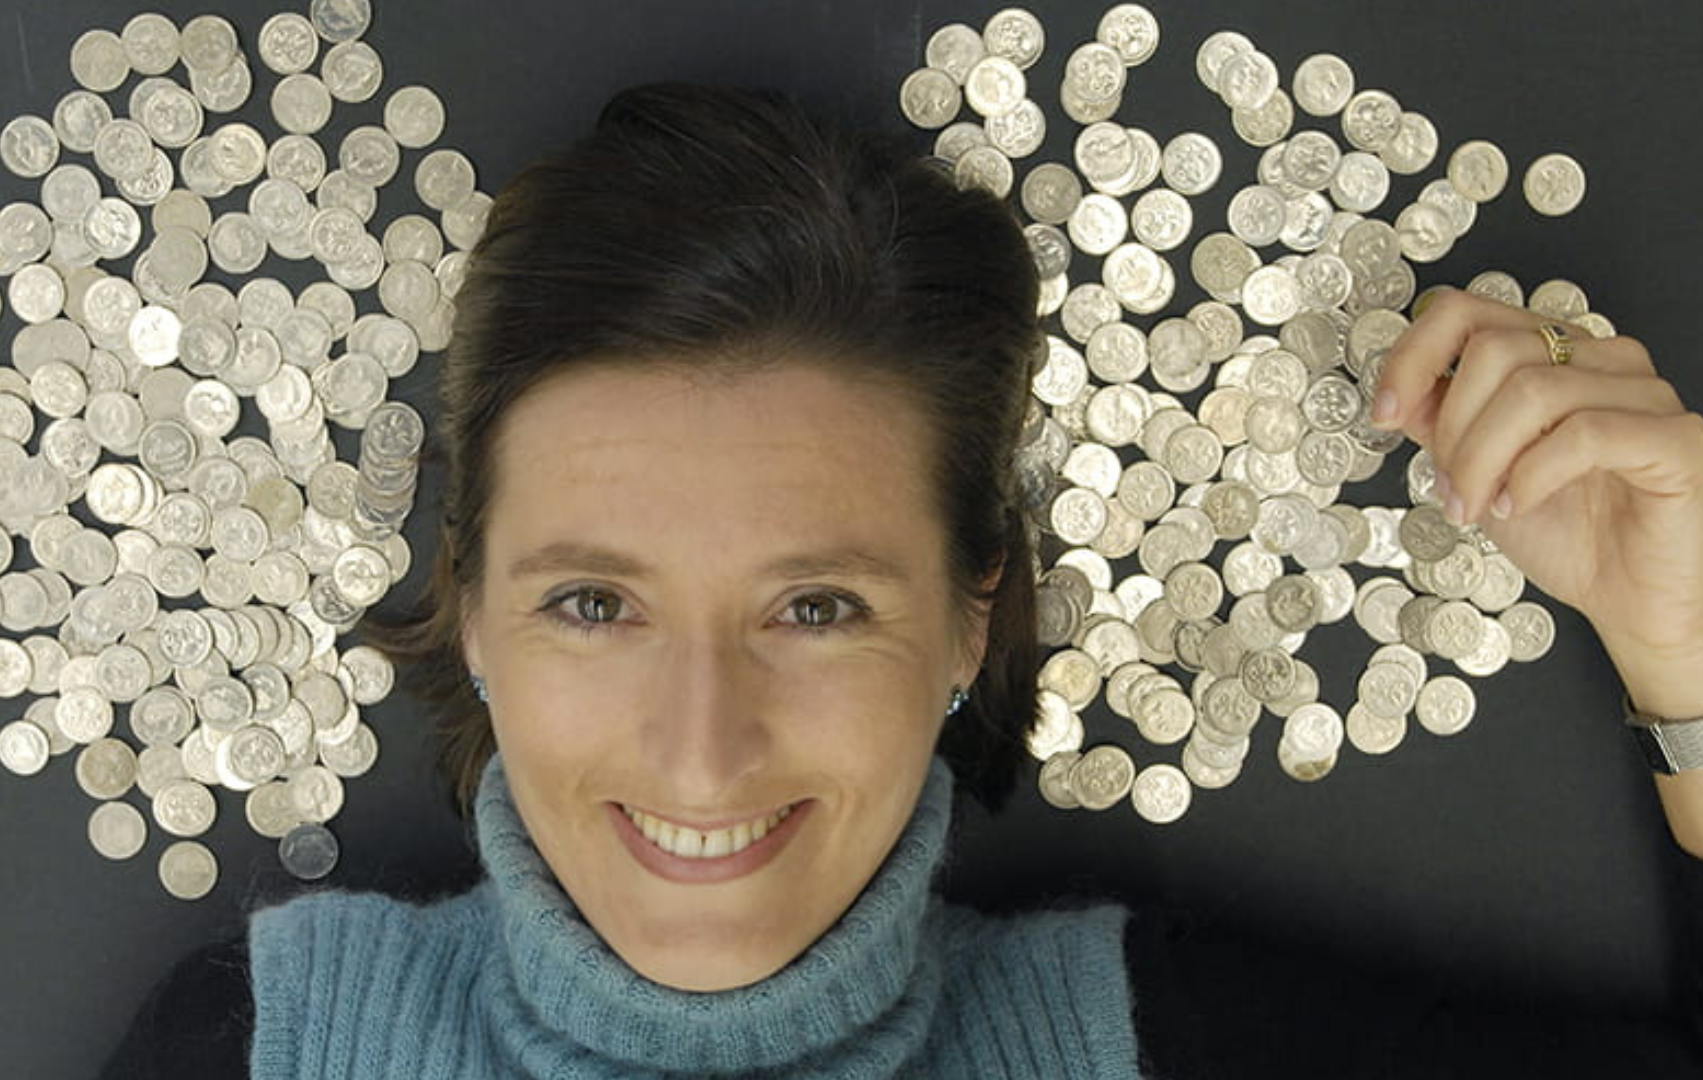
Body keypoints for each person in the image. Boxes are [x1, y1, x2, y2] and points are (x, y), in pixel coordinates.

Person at [100, 84, 1703, 1078]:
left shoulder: (1165, 1049)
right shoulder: (256, 1050)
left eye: (818, 607)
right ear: (470, 613)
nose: (700, 750)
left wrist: (1691, 641)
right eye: (594, 602)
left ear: (970, 619)